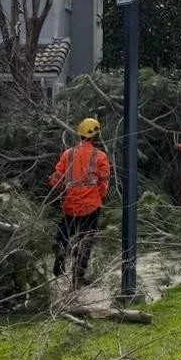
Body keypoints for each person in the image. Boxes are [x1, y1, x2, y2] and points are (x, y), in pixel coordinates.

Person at [48, 117, 112, 289]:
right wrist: (101, 198)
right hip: (91, 204)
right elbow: (104, 182)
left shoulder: (68, 154)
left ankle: (61, 246)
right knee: (86, 240)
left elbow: (57, 179)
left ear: (79, 135)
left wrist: (53, 185)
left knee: (65, 228)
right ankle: (78, 277)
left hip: (70, 203)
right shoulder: (100, 156)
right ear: (96, 136)